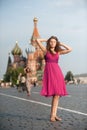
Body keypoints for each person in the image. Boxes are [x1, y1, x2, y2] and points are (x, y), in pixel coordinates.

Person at [36, 36, 72, 122]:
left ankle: (54, 115)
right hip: (49, 73)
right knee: (55, 94)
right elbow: (37, 40)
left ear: (56, 43)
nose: (52, 43)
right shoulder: (45, 50)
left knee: (57, 95)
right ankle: (53, 115)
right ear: (49, 42)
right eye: (51, 42)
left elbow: (70, 49)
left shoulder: (58, 52)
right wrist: (47, 40)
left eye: (54, 42)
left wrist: (60, 43)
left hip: (57, 73)